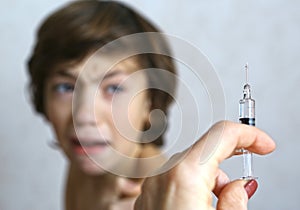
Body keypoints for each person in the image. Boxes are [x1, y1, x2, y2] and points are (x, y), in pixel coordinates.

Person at [26, 1, 276, 210]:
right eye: (66, 87)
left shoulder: (157, 198)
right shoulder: (87, 160)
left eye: (113, 88)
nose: (83, 115)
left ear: (152, 101)